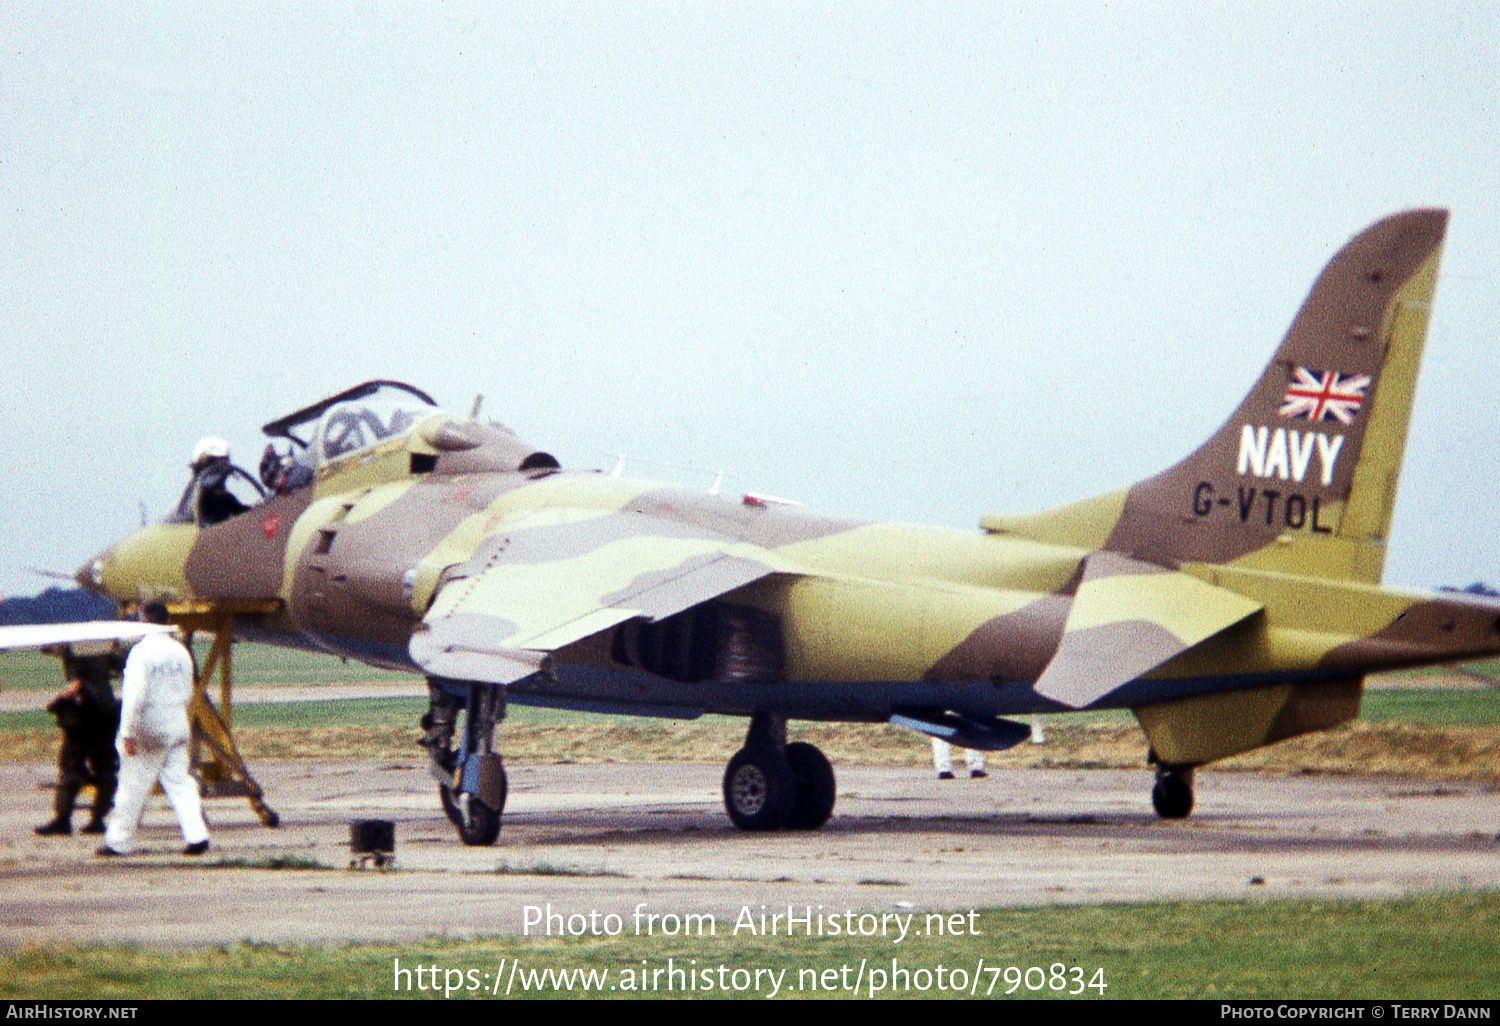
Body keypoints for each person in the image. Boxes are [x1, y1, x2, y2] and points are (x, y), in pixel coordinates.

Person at [98, 604, 210, 857]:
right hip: (177, 719)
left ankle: (118, 841)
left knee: (132, 785)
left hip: (150, 723)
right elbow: (188, 689)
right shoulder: (180, 651)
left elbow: (134, 696)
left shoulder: (141, 652)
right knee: (181, 782)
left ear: (144, 619)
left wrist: (127, 732)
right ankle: (197, 836)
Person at [34, 652, 121, 836]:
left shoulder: (74, 655)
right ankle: (98, 818)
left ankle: (62, 819)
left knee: (70, 767)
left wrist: (62, 701)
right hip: (107, 714)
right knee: (105, 768)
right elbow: (121, 664)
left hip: (83, 717)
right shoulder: (101, 649)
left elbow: (75, 686)